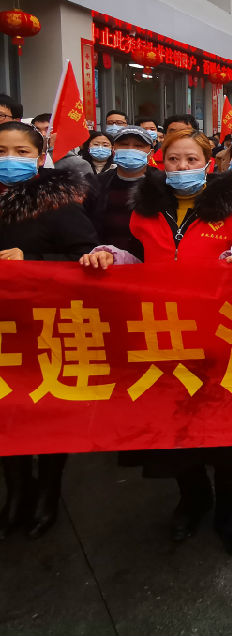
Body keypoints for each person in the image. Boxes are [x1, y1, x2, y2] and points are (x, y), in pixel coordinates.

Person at [80, 129, 232, 557]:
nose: (182, 167)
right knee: (177, 423)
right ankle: (193, 497)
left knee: (227, 427)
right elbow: (136, 258)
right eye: (174, 160)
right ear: (161, 163)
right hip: (166, 332)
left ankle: (231, 508)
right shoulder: (145, 208)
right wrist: (107, 255)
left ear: (208, 163)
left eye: (191, 160)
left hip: (222, 332)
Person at [0, 121, 98, 540]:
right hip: (2, 330)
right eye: (1, 151)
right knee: (6, 411)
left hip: (45, 325)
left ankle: (48, 490)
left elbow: (87, 259)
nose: (9, 159)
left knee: (45, 409)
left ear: (40, 157)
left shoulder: (58, 203)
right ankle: (17, 490)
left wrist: (31, 261)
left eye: (21, 152)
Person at [84, 126, 160, 257]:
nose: (130, 150)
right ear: (114, 150)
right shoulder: (95, 184)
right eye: (124, 145)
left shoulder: (162, 185)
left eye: (138, 146)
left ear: (151, 153)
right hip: (104, 259)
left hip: (148, 261)